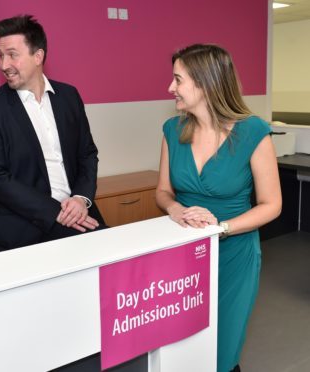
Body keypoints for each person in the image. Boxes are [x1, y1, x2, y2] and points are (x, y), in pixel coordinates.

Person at [155, 44, 282, 372]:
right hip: (185, 253)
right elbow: (164, 191)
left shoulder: (253, 132)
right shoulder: (173, 131)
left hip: (234, 253)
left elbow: (272, 205)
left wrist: (221, 228)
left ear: (205, 83)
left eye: (178, 79)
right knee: (184, 348)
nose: (170, 88)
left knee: (222, 351)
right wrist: (174, 209)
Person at [0, 15, 105, 249]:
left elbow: (87, 153)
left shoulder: (69, 97)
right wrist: (56, 212)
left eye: (13, 55)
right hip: (24, 227)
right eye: (1, 56)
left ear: (38, 56)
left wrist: (81, 199)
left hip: (78, 211)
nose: (4, 65)